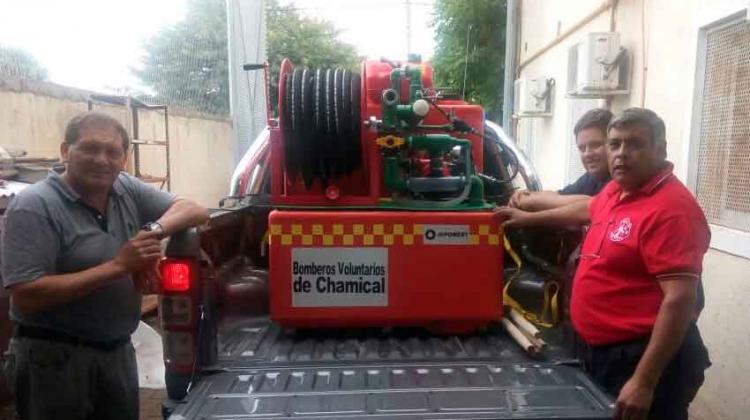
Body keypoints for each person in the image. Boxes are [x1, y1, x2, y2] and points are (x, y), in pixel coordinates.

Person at [498, 108, 711, 420]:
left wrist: (643, 381)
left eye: (634, 144)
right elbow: (586, 210)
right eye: (615, 144)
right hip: (600, 353)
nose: (622, 154)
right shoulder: (619, 189)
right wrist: (527, 219)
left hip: (641, 359)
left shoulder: (671, 210)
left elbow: (680, 299)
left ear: (660, 149)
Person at [1, 112, 209, 420]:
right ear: (65, 151)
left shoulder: (124, 188)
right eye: (90, 148)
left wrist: (151, 233)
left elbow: (194, 209)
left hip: (117, 352)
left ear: (124, 158)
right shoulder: (35, 206)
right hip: (53, 360)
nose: (102, 160)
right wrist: (120, 265)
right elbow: (27, 294)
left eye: (113, 152)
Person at [509, 108, 612, 212]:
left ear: (613, 144)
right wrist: (526, 195)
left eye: (595, 145)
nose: (587, 154)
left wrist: (530, 207)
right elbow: (560, 195)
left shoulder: (620, 180)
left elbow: (591, 205)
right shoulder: (592, 177)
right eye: (582, 148)